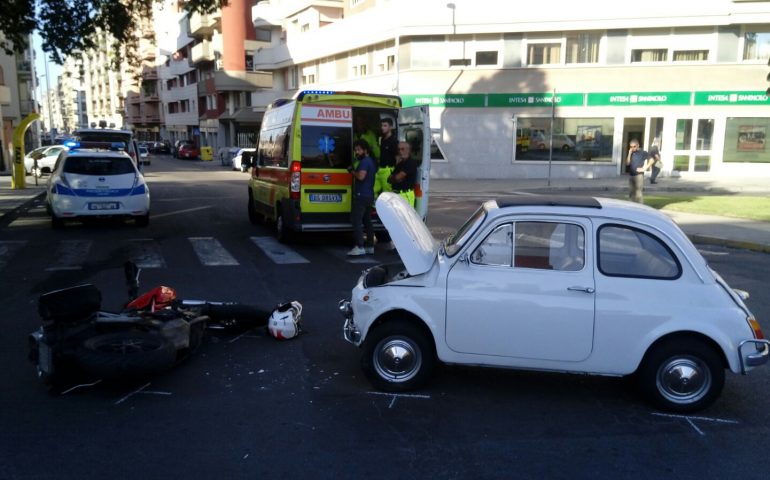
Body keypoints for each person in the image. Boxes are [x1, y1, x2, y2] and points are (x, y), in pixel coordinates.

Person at [347, 139, 378, 256]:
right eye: (355, 150)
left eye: (359, 150)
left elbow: (361, 177)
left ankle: (359, 246)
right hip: (369, 195)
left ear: (365, 150)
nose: (357, 152)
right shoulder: (371, 161)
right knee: (367, 221)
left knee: (356, 220)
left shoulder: (364, 162)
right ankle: (370, 246)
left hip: (361, 195)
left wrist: (352, 171)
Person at [388, 141, 418, 208]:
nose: (400, 151)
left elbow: (397, 177)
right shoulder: (399, 164)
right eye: (398, 149)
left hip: (406, 194)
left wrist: (395, 178)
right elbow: (389, 179)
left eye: (402, 149)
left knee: (406, 214)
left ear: (408, 150)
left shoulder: (411, 163)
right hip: (397, 194)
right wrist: (395, 178)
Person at [375, 117, 398, 195]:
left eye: (385, 125)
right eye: (381, 125)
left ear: (391, 127)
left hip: (388, 171)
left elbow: (397, 158)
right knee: (374, 190)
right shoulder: (382, 139)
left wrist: (394, 173)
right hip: (380, 170)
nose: (382, 127)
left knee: (387, 194)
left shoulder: (394, 141)